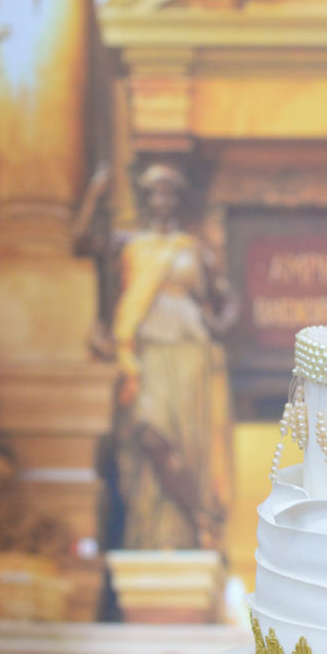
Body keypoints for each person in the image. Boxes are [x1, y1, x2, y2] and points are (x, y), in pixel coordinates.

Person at [75, 163, 237, 551]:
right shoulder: (131, 244)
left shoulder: (192, 248)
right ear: (145, 199)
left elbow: (227, 298)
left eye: (169, 193)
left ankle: (190, 531)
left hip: (190, 350)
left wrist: (219, 325)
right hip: (145, 348)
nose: (162, 200)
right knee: (147, 430)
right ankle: (195, 518)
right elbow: (81, 242)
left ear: (178, 201)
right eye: (154, 193)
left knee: (186, 442)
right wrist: (94, 196)